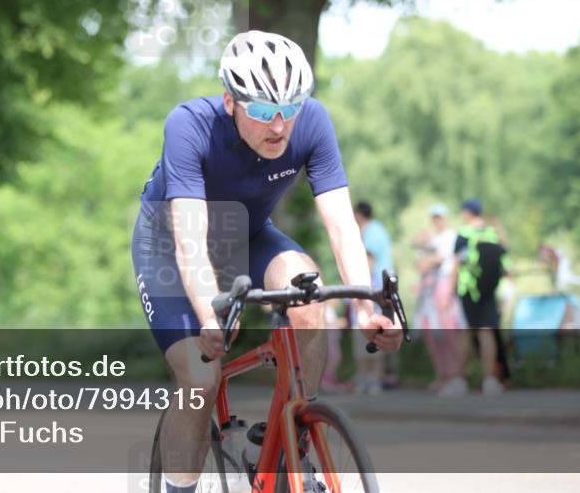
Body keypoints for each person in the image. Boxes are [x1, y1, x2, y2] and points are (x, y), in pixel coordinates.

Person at [132, 30, 403, 493]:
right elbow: (190, 239)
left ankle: (293, 448)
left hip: (250, 235)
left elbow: (342, 224)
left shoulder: (313, 122)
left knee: (308, 294)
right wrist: (209, 315)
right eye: (261, 111)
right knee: (200, 378)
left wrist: (365, 308)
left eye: (290, 108)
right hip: (169, 244)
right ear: (230, 102)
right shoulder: (189, 126)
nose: (278, 125)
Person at [442, 199, 507, 395]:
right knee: (486, 332)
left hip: (468, 289)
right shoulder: (492, 232)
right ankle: (489, 380)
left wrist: (449, 291)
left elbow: (457, 264)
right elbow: (504, 262)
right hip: (489, 290)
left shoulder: (464, 233)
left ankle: (459, 380)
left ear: (468, 213)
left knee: (466, 332)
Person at [413, 204, 466, 395]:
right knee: (433, 336)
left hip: (443, 287)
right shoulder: (434, 239)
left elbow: (444, 260)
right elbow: (421, 264)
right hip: (429, 292)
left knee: (447, 334)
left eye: (440, 217)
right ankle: (442, 375)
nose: (437, 221)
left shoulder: (451, 237)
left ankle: (454, 376)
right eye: (434, 217)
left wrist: (429, 259)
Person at [353, 201, 398, 393]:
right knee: (374, 336)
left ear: (359, 214)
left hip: (373, 290)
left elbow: (368, 259)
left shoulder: (370, 232)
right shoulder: (379, 230)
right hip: (380, 290)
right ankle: (368, 379)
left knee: (372, 335)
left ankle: (372, 379)